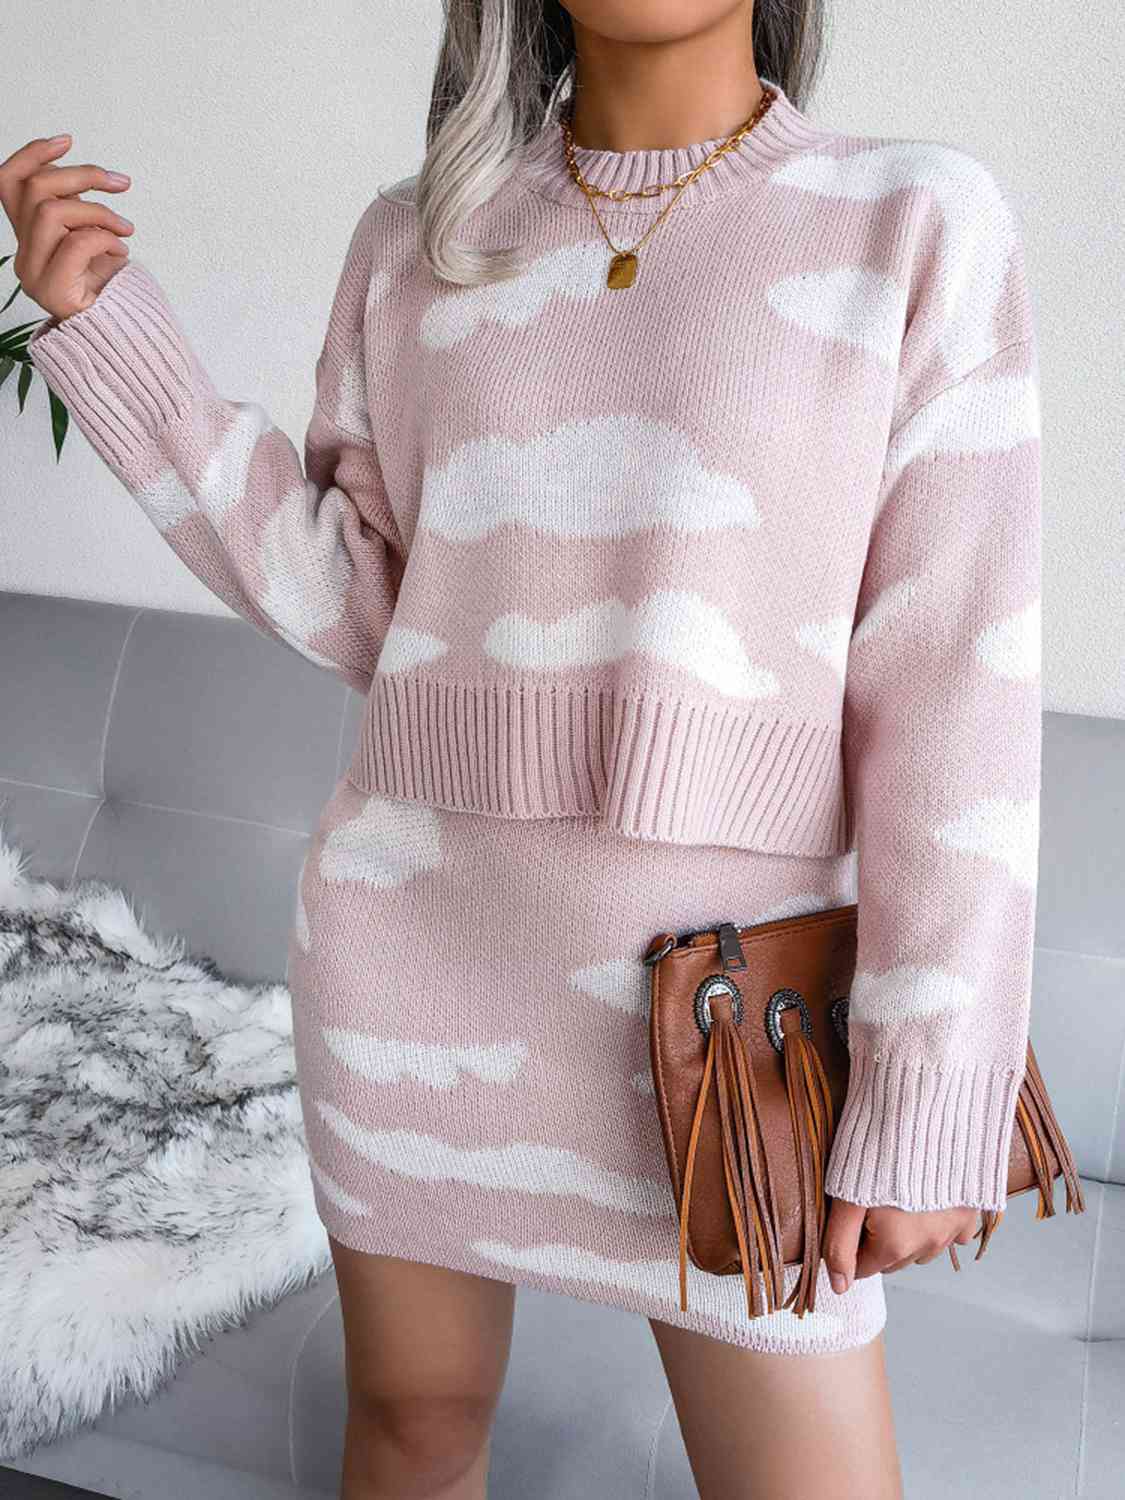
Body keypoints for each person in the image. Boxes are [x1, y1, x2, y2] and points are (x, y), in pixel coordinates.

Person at [4, 2, 1043, 1495]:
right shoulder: (416, 239)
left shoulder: (915, 219)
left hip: (725, 1021)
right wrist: (119, 341)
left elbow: (954, 689)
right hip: (410, 963)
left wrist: (929, 1091)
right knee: (414, 1433)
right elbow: (361, 600)